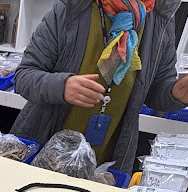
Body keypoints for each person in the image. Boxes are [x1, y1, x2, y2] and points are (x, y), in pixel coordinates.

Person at [11, 0, 188, 173]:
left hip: (106, 164)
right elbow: (25, 75)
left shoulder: (159, 20)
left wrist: (175, 94)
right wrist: (62, 86)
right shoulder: (71, 9)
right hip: (44, 152)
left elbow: (155, 89)